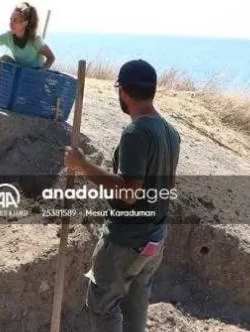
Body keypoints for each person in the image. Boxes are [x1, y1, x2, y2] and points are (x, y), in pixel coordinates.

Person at [64, 59, 181, 332]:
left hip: (125, 242)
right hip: (154, 239)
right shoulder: (170, 132)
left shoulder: (136, 133)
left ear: (123, 92)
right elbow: (170, 183)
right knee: (135, 306)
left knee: (102, 305)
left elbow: (128, 192)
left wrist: (82, 166)